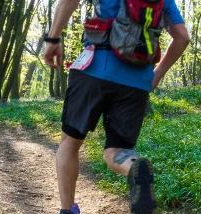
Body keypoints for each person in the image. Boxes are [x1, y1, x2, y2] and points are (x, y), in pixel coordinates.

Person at [42, 0, 189, 213]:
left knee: (70, 142)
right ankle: (134, 167)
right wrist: (155, 76)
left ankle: (67, 210)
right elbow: (182, 37)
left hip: (93, 70)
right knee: (117, 150)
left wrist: (53, 38)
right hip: (137, 82)